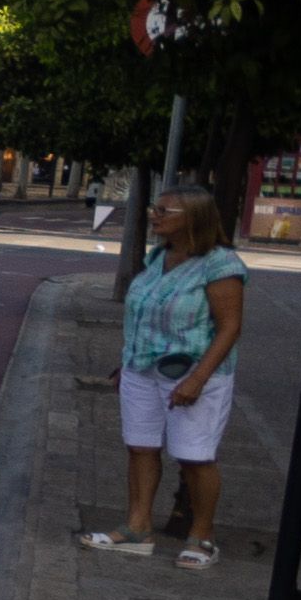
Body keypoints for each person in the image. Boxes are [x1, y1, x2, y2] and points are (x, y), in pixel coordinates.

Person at [82, 183, 247, 568]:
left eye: (166, 211)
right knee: (140, 447)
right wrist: (127, 363)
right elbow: (143, 315)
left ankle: (202, 536)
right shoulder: (160, 256)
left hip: (193, 373)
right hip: (142, 370)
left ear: (195, 218)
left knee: (195, 456)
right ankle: (138, 529)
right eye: (156, 208)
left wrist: (197, 380)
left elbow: (230, 328)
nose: (155, 215)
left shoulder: (221, 265)